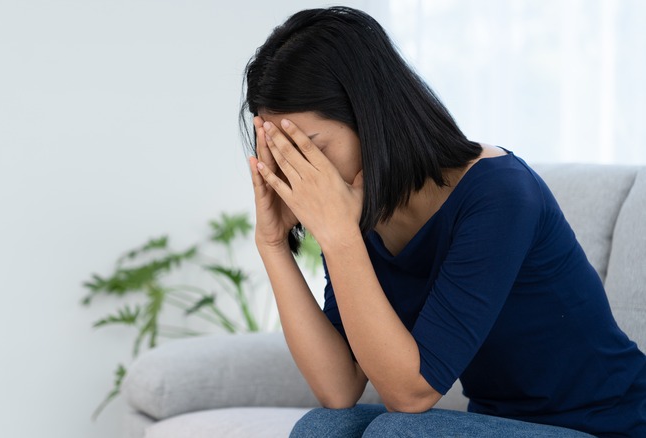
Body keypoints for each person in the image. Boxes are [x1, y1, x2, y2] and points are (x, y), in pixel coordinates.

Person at [240, 6, 646, 438]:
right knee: (323, 428)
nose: (301, 174)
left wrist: (339, 239)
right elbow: (339, 389)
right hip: (499, 425)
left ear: (371, 118)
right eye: (284, 153)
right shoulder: (360, 211)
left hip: (607, 427)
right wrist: (273, 243)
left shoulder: (500, 193)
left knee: (397, 433)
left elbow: (410, 395)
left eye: (310, 147)